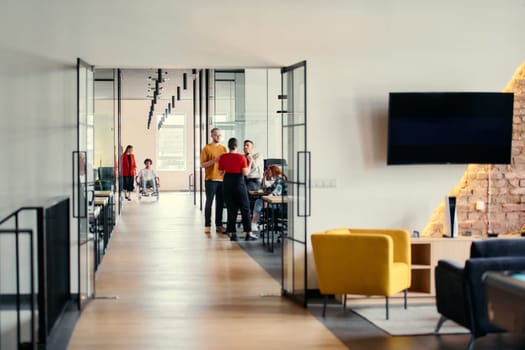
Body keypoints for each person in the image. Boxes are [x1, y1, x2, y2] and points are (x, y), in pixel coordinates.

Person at [218, 137, 258, 241]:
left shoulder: (223, 157)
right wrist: (249, 163)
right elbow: (246, 173)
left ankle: (233, 234)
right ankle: (248, 233)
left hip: (227, 183)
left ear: (228, 146)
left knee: (231, 209)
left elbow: (220, 173)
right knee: (245, 208)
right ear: (236, 146)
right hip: (238, 183)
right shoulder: (241, 158)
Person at [200, 128, 228, 234]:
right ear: (211, 135)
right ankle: (207, 225)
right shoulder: (206, 148)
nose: (218, 137)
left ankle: (219, 225)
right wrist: (215, 160)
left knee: (220, 203)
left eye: (220, 135)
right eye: (216, 135)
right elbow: (202, 165)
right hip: (210, 179)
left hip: (222, 180)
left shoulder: (224, 148)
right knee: (209, 203)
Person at [251, 165, 287, 231]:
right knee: (259, 201)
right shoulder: (278, 179)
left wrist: (265, 200)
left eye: (268, 171)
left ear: (273, 171)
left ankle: (253, 224)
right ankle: (253, 223)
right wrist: (264, 177)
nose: (267, 172)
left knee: (258, 202)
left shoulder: (280, 179)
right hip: (278, 203)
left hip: (281, 205)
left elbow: (276, 193)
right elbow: (266, 190)